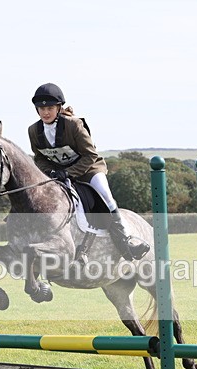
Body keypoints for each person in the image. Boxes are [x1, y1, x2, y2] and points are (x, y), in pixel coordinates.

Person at [27, 82, 150, 261]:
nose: (45, 112)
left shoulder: (74, 125)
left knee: (105, 196)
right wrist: (50, 172)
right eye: (41, 108)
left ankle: (126, 241)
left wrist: (69, 173)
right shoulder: (34, 131)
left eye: (50, 108)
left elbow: (90, 155)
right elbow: (39, 158)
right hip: (59, 174)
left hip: (89, 169)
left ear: (59, 107)